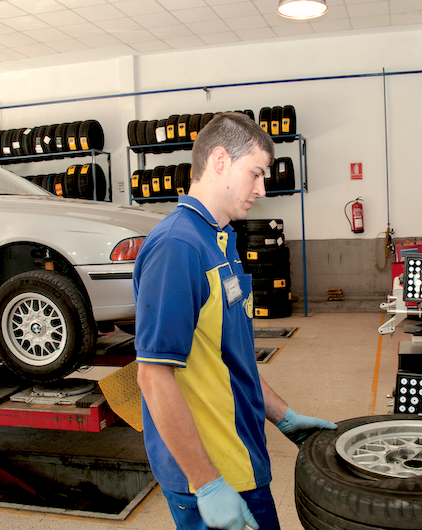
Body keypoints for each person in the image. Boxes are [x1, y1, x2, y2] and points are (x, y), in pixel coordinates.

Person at [134, 112, 336, 530]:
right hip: (212, 473)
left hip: (240, 456)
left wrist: (282, 415)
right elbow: (153, 377)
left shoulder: (219, 240)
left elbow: (228, 357)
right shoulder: (178, 248)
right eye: (256, 173)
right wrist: (207, 482)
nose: (261, 189)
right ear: (221, 160)